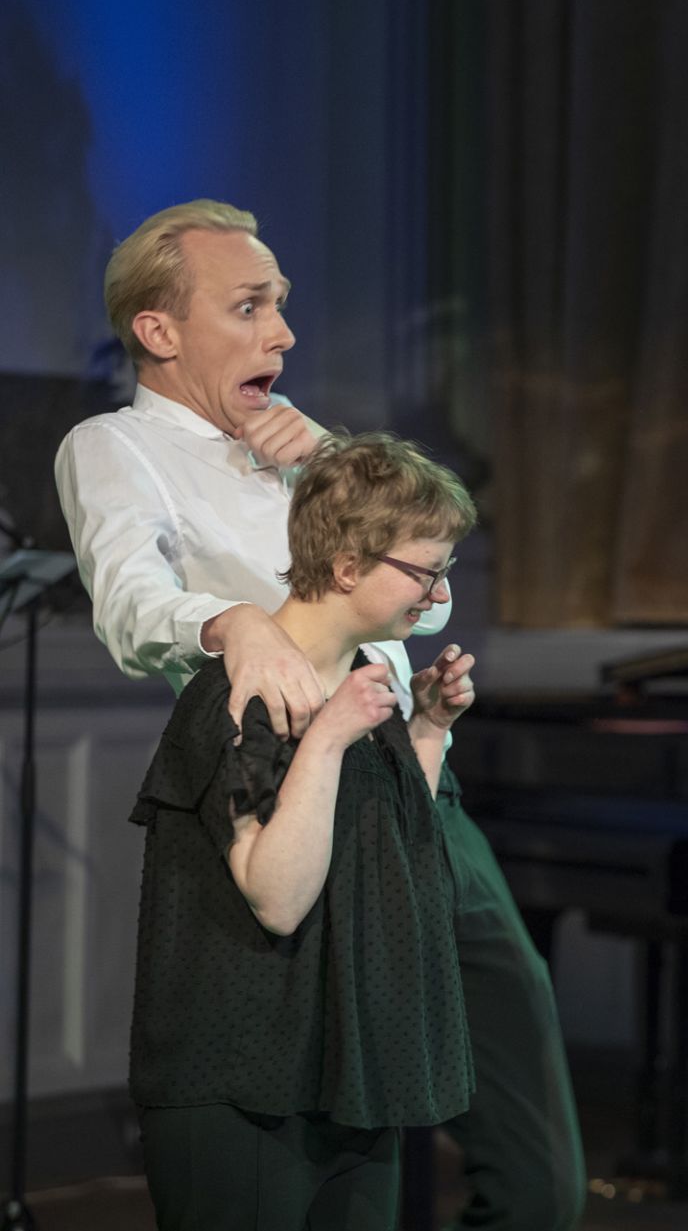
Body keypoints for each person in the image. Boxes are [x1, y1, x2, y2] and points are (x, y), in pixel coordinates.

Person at [55, 200, 585, 1229]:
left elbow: (418, 605)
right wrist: (235, 625)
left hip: (411, 785)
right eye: (249, 307)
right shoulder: (116, 446)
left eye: (282, 306)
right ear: (160, 331)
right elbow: (127, 608)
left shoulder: (302, 445)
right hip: (286, 791)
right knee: (323, 1147)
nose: (283, 335)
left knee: (535, 1165)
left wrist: (329, 467)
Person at [129, 432, 477, 1227]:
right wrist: (326, 736)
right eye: (426, 572)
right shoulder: (239, 695)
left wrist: (427, 730)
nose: (437, 594)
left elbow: (389, 855)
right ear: (349, 566)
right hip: (246, 1081)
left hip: (347, 1071)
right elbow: (278, 896)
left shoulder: (366, 678)